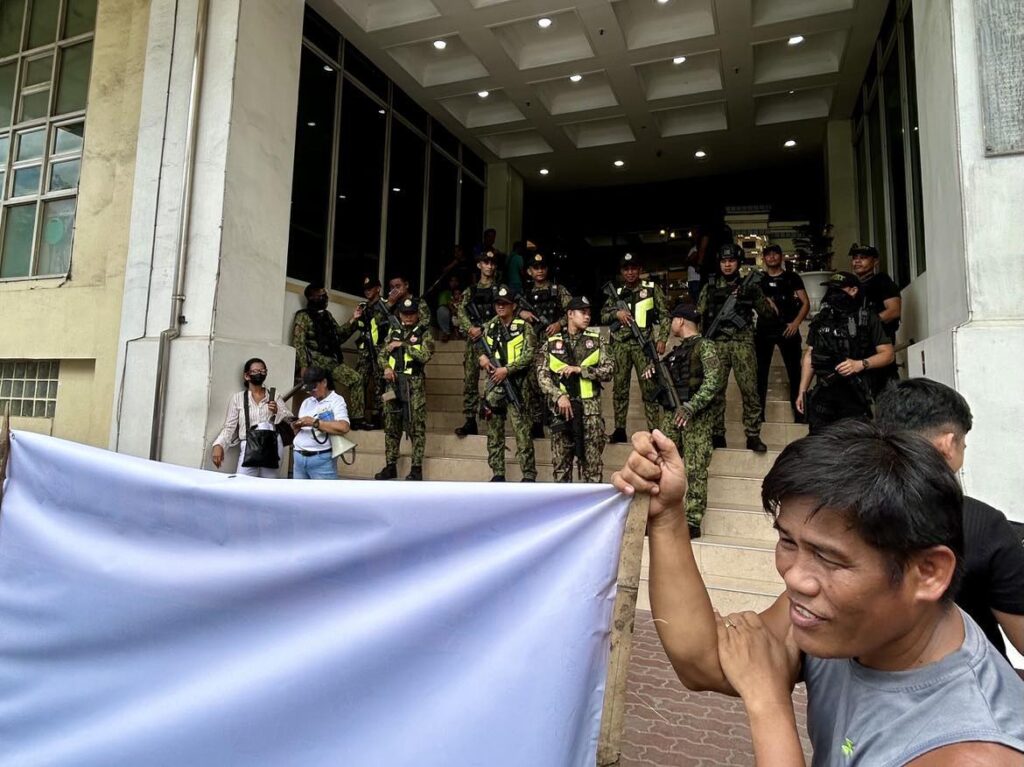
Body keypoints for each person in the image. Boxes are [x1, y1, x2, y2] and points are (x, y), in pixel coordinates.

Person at [612, 423, 1024, 766]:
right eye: (788, 542)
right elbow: (704, 663)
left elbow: (756, 678)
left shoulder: (971, 752)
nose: (796, 579)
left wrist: (769, 705)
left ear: (928, 573)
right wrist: (667, 517)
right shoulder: (844, 619)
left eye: (829, 558)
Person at [875, 378, 1024, 659]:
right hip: (968, 691)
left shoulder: (844, 512)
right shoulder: (984, 525)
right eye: (964, 445)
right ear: (949, 443)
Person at [649, 304, 723, 538]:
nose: (670, 325)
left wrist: (692, 406)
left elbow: (713, 382)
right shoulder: (675, 351)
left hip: (696, 417)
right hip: (673, 414)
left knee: (695, 468)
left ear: (680, 321)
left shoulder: (706, 347)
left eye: (672, 320)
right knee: (660, 463)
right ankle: (658, 513)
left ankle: (692, 520)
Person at [697, 244, 774, 452]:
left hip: (743, 343)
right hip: (717, 344)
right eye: (723, 261)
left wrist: (756, 296)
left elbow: (767, 313)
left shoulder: (749, 285)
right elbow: (699, 314)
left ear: (738, 262)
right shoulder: (710, 286)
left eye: (731, 261)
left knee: (749, 390)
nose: (727, 265)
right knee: (715, 391)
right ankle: (717, 434)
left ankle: (753, 435)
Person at [796, 272, 894, 434]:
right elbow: (810, 355)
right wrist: (802, 390)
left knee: (853, 447)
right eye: (831, 290)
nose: (832, 295)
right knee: (819, 445)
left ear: (854, 290)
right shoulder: (821, 319)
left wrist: (860, 364)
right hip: (824, 394)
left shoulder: (867, 318)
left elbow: (888, 354)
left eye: (838, 290)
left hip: (855, 394)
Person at [537, 295, 613, 483]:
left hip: (590, 413)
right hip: (562, 413)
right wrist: (558, 395)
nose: (587, 317)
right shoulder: (552, 343)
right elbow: (542, 375)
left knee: (592, 469)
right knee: (561, 468)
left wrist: (581, 370)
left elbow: (609, 370)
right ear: (570, 314)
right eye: (582, 312)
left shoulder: (597, 341)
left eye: (589, 313)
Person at [601, 252, 669, 443]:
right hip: (621, 346)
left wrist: (662, 339)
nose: (630, 272)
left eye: (633, 268)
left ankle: (655, 430)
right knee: (620, 388)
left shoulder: (651, 289)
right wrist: (617, 314)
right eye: (626, 269)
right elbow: (603, 316)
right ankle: (620, 429)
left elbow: (665, 315)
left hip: (644, 346)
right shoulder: (616, 293)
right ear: (622, 272)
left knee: (650, 388)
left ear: (640, 270)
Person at [478, 286, 537, 482]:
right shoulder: (490, 327)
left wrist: (507, 370)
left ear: (513, 306)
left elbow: (529, 355)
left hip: (517, 385)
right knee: (494, 431)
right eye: (498, 304)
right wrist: (482, 358)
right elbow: (478, 348)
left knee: (522, 432)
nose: (500, 307)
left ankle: (528, 474)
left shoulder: (524, 327)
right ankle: (497, 472)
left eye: (504, 304)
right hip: (495, 385)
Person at [292, 282, 367, 429]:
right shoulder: (303, 316)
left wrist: (354, 319)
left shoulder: (327, 315)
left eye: (325, 295)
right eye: (321, 296)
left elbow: (339, 336)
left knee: (356, 379)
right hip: (315, 363)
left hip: (332, 362)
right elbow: (299, 343)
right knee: (323, 392)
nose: (325, 298)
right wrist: (303, 367)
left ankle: (358, 419)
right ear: (311, 297)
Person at [374, 297, 434, 481]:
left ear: (417, 314)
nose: (408, 317)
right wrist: (385, 367)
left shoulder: (424, 333)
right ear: (399, 314)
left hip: (413, 383)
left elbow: (425, 355)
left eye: (411, 314)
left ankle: (416, 468)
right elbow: (382, 354)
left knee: (416, 426)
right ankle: (390, 465)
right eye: (404, 314)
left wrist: (405, 346)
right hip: (392, 383)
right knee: (391, 426)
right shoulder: (393, 331)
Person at [519, 251, 572, 438]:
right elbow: (509, 310)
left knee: (556, 381)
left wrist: (559, 324)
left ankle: (555, 417)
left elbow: (573, 311)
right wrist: (521, 314)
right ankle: (536, 422)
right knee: (534, 383)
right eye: (536, 268)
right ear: (529, 271)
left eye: (542, 267)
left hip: (556, 345)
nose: (539, 271)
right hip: (533, 345)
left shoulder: (558, 290)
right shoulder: (525, 295)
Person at [211, 358, 293, 477]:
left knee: (269, 486)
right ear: (247, 376)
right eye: (255, 371)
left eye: (263, 371)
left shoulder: (274, 395)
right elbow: (229, 427)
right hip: (248, 446)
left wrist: (277, 411)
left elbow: (289, 419)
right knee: (242, 483)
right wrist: (219, 445)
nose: (259, 374)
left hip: (272, 446)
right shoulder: (238, 398)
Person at [754, 245, 809, 423]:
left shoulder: (792, 277)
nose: (771, 257)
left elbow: (805, 303)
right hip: (764, 330)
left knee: (795, 372)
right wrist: (765, 300)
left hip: (788, 328)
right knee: (760, 374)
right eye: (768, 255)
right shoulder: (759, 280)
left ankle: (800, 414)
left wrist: (796, 323)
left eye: (775, 254)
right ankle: (759, 415)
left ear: (781, 256)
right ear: (764, 258)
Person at [453, 250, 499, 437]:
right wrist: (470, 328)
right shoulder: (470, 291)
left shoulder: (499, 290)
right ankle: (470, 420)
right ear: (479, 265)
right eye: (485, 262)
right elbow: (461, 311)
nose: (489, 265)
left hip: (492, 341)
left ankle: (493, 420)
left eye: (492, 263)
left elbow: (504, 312)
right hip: (474, 342)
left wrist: (484, 328)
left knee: (493, 382)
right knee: (470, 382)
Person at [850, 244, 901, 394]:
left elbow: (894, 310)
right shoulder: (854, 285)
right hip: (859, 348)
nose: (857, 261)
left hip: (880, 347)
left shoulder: (881, 281)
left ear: (875, 262)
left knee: (886, 393)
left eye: (863, 258)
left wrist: (867, 325)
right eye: (855, 258)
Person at [291, 367, 351, 480]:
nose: (311, 392)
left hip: (321, 458)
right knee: (298, 497)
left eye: (313, 388)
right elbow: (297, 432)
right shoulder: (306, 402)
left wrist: (314, 422)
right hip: (299, 456)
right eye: (308, 390)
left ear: (324, 382)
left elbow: (344, 427)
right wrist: (296, 425)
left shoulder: (336, 400)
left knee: (324, 497)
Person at [350, 275, 391, 429]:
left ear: (378, 288)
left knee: (381, 384)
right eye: (366, 289)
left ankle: (379, 415)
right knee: (360, 381)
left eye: (371, 288)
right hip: (365, 352)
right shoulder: (363, 307)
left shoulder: (387, 306)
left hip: (381, 351)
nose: (368, 291)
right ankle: (358, 416)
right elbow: (356, 327)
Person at [436, 274, 462, 342]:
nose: (454, 283)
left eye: (455, 281)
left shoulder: (465, 293)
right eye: (452, 281)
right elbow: (444, 306)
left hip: (462, 316)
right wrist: (453, 310)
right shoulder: (445, 293)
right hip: (451, 316)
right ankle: (446, 332)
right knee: (442, 310)